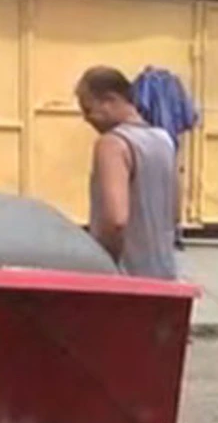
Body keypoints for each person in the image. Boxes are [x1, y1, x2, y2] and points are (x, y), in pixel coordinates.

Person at [76, 65, 181, 280]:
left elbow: (116, 220)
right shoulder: (164, 140)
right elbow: (175, 212)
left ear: (110, 100)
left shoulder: (113, 144)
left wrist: (103, 263)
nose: (87, 119)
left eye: (88, 109)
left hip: (127, 278)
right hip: (164, 274)